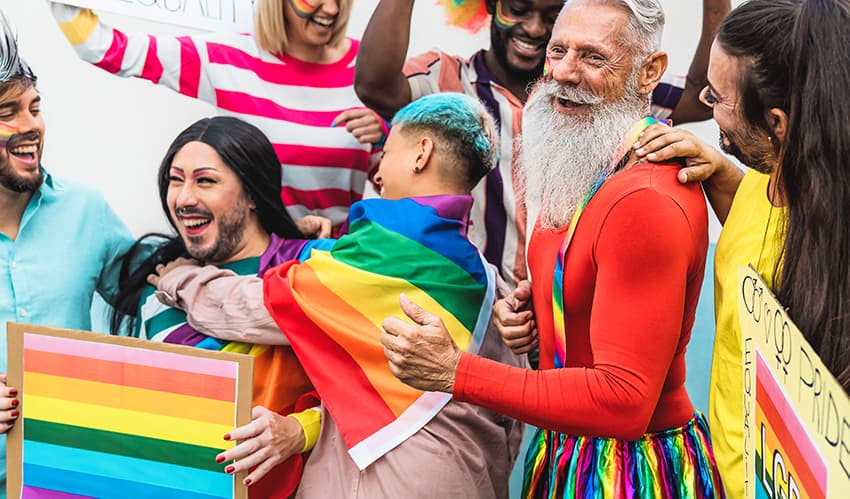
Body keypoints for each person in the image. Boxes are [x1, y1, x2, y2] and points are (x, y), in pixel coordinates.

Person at [380, 1, 725, 497]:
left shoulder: (645, 196)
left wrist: (456, 371)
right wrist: (543, 314)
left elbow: (623, 401)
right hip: (569, 449)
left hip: (629, 473)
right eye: (558, 51)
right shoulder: (590, 156)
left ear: (650, 71)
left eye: (593, 57)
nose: (563, 72)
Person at [147, 93, 526, 497]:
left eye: (387, 151)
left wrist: (181, 279)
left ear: (421, 154)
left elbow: (250, 308)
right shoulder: (487, 279)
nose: (377, 173)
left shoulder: (375, 257)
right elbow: (511, 411)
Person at [634, 0, 850, 495]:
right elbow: (761, 229)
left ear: (777, 124)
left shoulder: (828, 250)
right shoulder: (764, 181)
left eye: (718, 97)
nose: (705, 106)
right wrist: (721, 167)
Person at [355, 0, 730, 285]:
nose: (534, 29)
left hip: (564, 314)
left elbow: (702, 95)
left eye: (551, 16)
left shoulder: (599, 91)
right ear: (488, 6)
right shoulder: (448, 78)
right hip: (468, 301)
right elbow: (375, 86)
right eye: (516, 9)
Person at [111, 116, 326, 498]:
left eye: (205, 180)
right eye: (176, 180)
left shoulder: (311, 267)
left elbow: (370, 390)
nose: (183, 198)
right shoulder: (155, 291)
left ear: (253, 193)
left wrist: (299, 431)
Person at [49, 0, 386, 231]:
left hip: (337, 270)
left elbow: (405, 185)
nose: (331, 8)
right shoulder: (227, 58)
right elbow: (104, 48)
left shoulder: (370, 71)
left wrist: (387, 134)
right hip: (252, 275)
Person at [0, 14, 136, 498]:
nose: (30, 126)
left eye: (35, 108)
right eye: (8, 113)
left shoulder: (86, 208)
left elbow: (155, 298)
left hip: (70, 475)